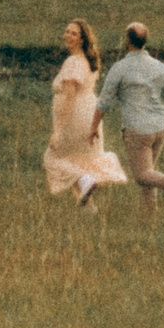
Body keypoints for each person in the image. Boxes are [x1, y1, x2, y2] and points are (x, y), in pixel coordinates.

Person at [93, 21, 164, 211]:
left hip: (137, 129)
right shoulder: (160, 67)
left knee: (142, 176)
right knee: (150, 174)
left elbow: (103, 102)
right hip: (160, 128)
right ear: (145, 41)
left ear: (127, 40)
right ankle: (149, 218)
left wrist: (93, 127)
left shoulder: (119, 68)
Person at [44, 19, 128, 209]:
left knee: (52, 158)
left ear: (82, 39)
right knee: (78, 160)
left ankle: (85, 180)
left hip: (75, 117)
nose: (68, 35)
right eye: (67, 31)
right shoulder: (87, 62)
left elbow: (69, 98)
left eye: (73, 33)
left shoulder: (73, 62)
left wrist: (58, 130)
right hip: (89, 115)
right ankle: (89, 209)